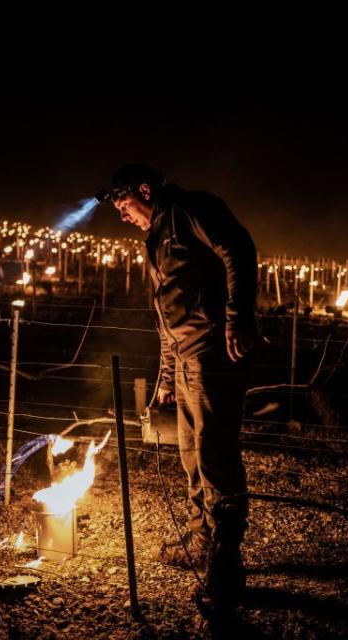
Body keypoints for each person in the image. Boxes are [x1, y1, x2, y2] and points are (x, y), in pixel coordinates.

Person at [99, 164, 258, 613]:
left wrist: (238, 317)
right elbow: (166, 317)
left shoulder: (191, 209)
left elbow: (238, 249)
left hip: (214, 350)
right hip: (187, 357)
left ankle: (227, 563)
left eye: (124, 205)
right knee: (190, 451)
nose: (123, 216)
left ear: (144, 190)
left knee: (214, 451)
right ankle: (201, 539)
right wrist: (167, 377)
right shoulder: (156, 239)